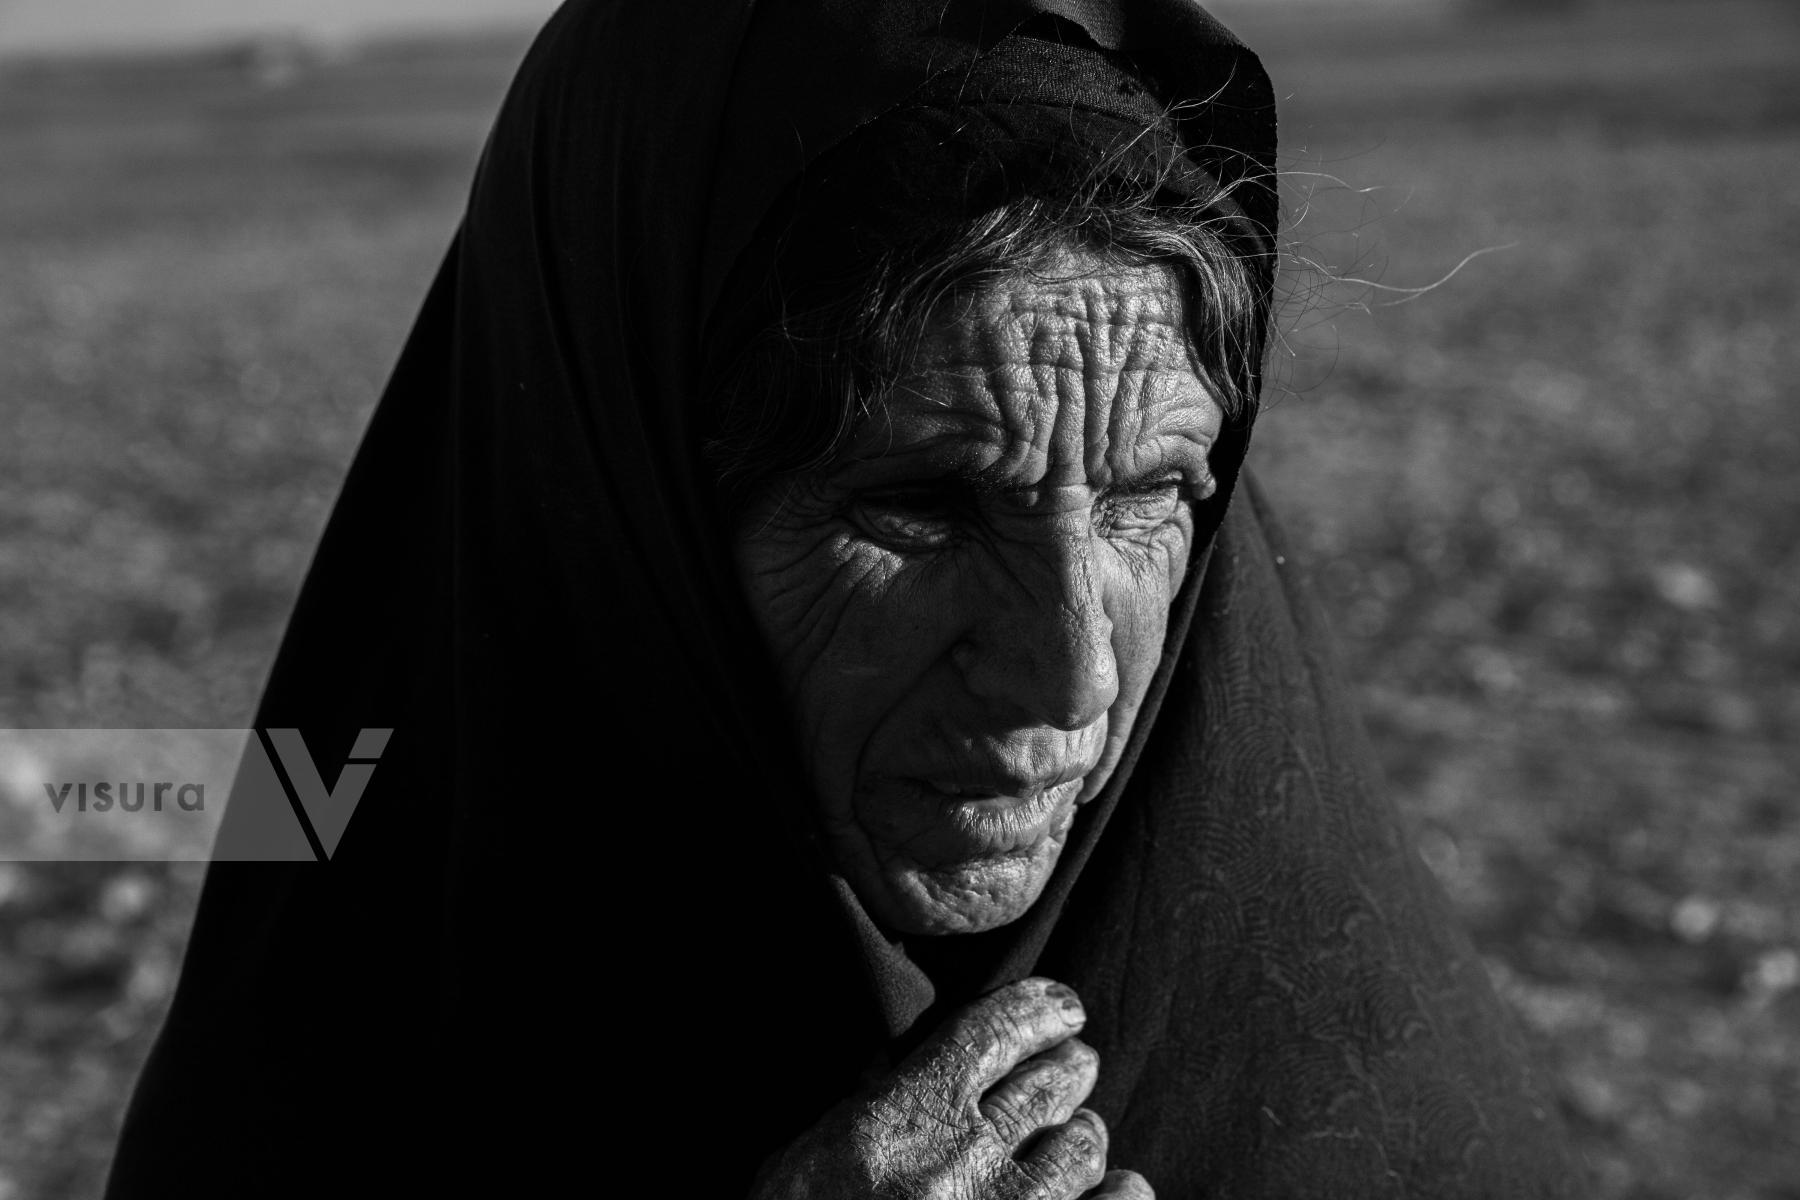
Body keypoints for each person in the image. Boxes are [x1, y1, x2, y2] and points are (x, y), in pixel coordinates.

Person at [106, 2, 1581, 1196]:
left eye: (1151, 498)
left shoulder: (1340, 1043)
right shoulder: (340, 1020)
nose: (1072, 680)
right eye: (921, 507)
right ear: (629, 526)